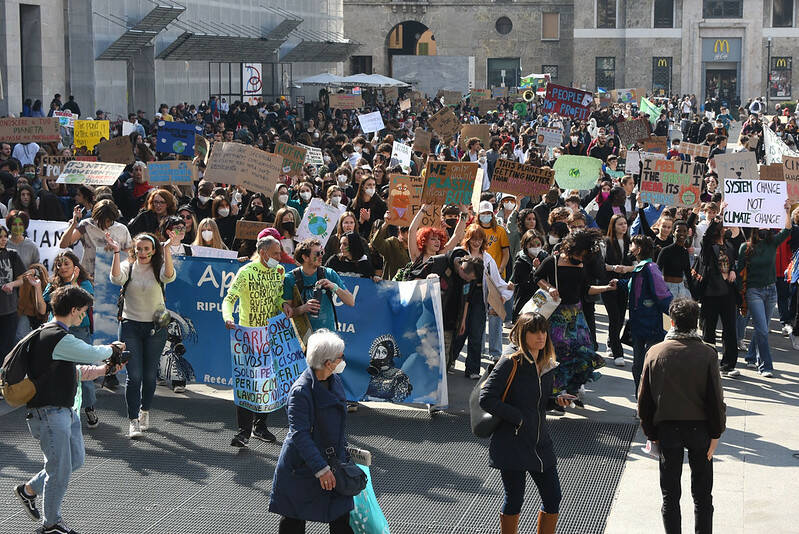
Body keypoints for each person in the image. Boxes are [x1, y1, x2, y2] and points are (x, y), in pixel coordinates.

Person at [13, 285, 126, 534]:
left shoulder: (50, 335)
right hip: (50, 413)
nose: (84, 317)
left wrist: (105, 370)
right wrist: (113, 349)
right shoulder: (57, 336)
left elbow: (73, 371)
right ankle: (51, 523)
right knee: (60, 470)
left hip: (63, 411)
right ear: (74, 310)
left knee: (73, 460)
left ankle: (28, 490)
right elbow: (91, 353)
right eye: (83, 312)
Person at [479, 312, 576, 534]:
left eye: (543, 331)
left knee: (553, 497)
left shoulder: (546, 363)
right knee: (514, 500)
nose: (541, 336)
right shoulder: (510, 362)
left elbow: (538, 402)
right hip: (512, 442)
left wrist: (555, 401)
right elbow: (487, 398)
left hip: (540, 441)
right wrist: (518, 418)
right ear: (523, 333)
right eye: (534, 331)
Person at [638, 298, 726, 534]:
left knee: (670, 496)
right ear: (696, 322)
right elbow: (715, 399)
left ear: (673, 322)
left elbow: (644, 400)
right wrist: (716, 433)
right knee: (703, 495)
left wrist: (650, 433)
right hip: (701, 429)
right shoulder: (707, 353)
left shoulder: (655, 352)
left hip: (667, 429)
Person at [268, 329, 355, 534]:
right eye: (340, 358)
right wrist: (321, 469)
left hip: (331, 461)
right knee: (293, 520)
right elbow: (300, 434)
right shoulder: (301, 392)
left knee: (341, 517)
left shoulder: (334, 381)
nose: (343, 361)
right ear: (328, 363)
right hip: (302, 467)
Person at [534, 229, 616, 405]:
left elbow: (587, 289)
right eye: (579, 255)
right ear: (571, 248)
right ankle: (555, 396)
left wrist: (606, 288)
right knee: (559, 353)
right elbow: (537, 276)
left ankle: (572, 389)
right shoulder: (553, 261)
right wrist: (549, 288)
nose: (580, 259)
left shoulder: (583, 265)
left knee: (584, 351)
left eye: (583, 256)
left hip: (576, 314)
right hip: (556, 314)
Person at [107, 232, 176, 439]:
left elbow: (170, 275)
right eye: (139, 248)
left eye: (147, 249)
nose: (143, 252)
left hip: (156, 329)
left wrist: (167, 249)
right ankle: (133, 420)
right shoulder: (129, 267)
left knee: (148, 376)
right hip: (130, 326)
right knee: (134, 376)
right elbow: (115, 278)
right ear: (134, 250)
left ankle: (145, 411)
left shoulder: (158, 269)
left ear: (153, 251)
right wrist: (117, 252)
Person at [223, 235, 288, 447]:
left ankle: (260, 426)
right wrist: (227, 316)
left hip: (270, 335)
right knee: (247, 384)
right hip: (248, 337)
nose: (280, 257)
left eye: (280, 253)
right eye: (276, 253)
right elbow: (229, 299)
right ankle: (243, 431)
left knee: (268, 382)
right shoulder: (246, 272)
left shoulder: (279, 272)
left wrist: (284, 306)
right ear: (263, 252)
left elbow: (278, 298)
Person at [736, 200, 793, 377]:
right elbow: (739, 273)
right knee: (762, 329)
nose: (765, 227)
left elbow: (788, 230)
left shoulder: (772, 243)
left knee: (762, 328)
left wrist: (787, 211)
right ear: (754, 227)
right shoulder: (745, 247)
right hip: (754, 292)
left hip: (771, 291)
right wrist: (740, 297)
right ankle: (766, 366)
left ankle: (751, 356)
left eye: (768, 225)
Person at [42, 251, 99, 427]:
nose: (62, 267)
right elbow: (47, 300)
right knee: (59, 371)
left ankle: (89, 408)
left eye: (66, 264)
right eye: (59, 264)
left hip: (80, 331)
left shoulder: (85, 283)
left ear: (75, 265)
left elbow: (85, 300)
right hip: (58, 333)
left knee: (85, 371)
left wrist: (73, 283)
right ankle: (63, 408)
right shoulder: (53, 284)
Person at [283, 238, 355, 343]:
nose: (321, 256)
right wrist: (303, 308)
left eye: (322, 252)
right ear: (305, 257)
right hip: (302, 339)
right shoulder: (290, 278)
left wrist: (333, 287)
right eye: (317, 253)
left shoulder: (329, 273)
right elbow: (287, 314)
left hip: (327, 337)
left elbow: (351, 301)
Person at [627, 235, 673, 395]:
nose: (630, 247)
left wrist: (674, 314)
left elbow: (662, 295)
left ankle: (648, 400)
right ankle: (641, 400)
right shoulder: (642, 267)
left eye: (632, 245)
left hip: (651, 325)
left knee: (648, 365)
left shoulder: (650, 268)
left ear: (638, 249)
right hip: (639, 324)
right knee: (638, 365)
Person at [696, 219, 740, 377]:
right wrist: (717, 218)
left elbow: (732, 261)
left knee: (730, 330)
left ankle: (728, 364)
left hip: (727, 293)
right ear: (717, 230)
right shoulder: (708, 247)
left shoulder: (728, 245)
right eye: (723, 226)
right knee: (709, 331)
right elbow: (705, 238)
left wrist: (733, 270)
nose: (726, 228)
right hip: (711, 294)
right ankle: (709, 364)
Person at [58, 200, 133, 278]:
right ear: (95, 217)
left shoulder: (122, 229)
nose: (105, 224)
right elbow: (63, 244)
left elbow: (130, 252)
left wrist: (115, 252)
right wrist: (74, 224)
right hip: (89, 276)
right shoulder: (86, 225)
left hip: (112, 277)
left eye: (108, 221)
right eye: (101, 221)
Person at [602, 214, 634, 367]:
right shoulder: (606, 242)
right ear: (613, 225)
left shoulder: (630, 242)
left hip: (624, 283)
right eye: (620, 224)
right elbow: (601, 265)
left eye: (625, 224)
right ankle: (617, 352)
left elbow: (636, 264)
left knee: (620, 317)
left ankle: (611, 341)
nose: (623, 226)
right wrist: (614, 268)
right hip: (609, 284)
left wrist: (626, 268)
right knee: (614, 316)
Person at [0, 225, 26, 357]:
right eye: (0, 236)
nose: (3, 239)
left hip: (9, 309)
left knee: (6, 349)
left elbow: (22, 279)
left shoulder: (12, 255)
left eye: (5, 236)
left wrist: (11, 284)